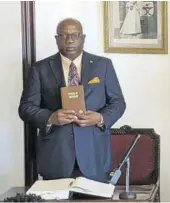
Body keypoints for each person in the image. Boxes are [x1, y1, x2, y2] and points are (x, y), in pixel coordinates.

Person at [18, 18, 126, 183]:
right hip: (56, 156)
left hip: (94, 155)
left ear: (83, 38)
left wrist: (100, 118)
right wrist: (51, 118)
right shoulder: (40, 68)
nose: (69, 40)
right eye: (63, 35)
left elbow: (118, 103)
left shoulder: (103, 65)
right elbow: (26, 108)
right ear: (56, 39)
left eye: (75, 35)